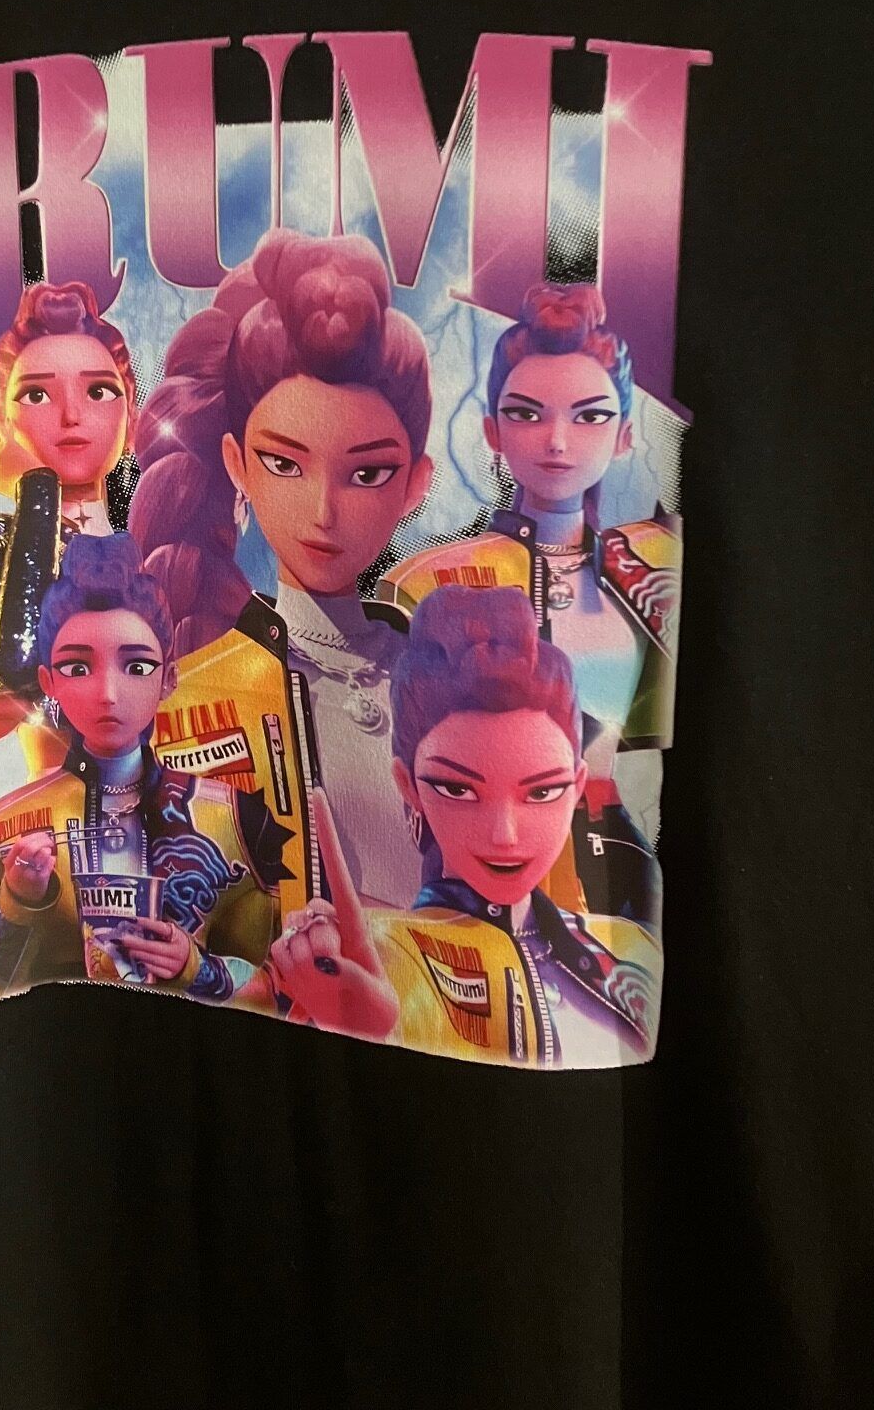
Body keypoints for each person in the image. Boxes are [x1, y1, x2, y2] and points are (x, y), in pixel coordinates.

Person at [130, 228, 435, 909]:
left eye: (368, 473)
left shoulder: (443, 666)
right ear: (238, 465)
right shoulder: (205, 686)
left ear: (415, 483)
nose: (323, 512)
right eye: (284, 464)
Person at [269, 588, 660, 1068]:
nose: (504, 835)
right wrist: (361, 1025)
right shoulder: (380, 951)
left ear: (577, 785)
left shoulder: (629, 950)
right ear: (408, 786)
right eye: (458, 789)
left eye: (542, 792)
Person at [378, 282, 678, 863]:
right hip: (480, 861)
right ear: (493, 431)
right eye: (525, 414)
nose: (557, 441)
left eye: (590, 417)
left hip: (622, 866)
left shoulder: (654, 566)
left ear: (624, 436)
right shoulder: (430, 583)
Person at [0, 535, 291, 1010]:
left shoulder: (240, 822)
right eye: (77, 668)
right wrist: (16, 905)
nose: (108, 693)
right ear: (49, 682)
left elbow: (289, 994)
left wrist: (198, 970)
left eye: (136, 666)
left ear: (168, 678)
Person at [0, 281, 136, 805]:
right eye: (37, 394)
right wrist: (35, 487)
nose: (71, 414)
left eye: (98, 391)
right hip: (63, 819)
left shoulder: (157, 551)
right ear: (0, 425)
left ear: (131, 419)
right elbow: (20, 654)